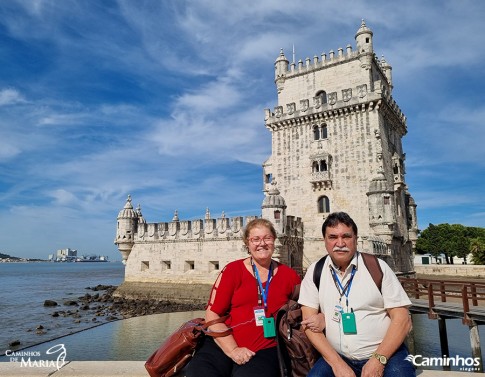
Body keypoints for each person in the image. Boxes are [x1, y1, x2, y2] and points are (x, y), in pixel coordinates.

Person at [186, 218, 322, 377]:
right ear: (247, 244)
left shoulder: (289, 276)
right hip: (222, 342)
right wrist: (233, 350)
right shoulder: (232, 270)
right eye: (255, 239)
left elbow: (307, 306)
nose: (262, 243)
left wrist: (321, 317)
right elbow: (212, 314)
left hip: (264, 348)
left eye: (267, 238)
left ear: (274, 240)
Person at [298, 212, 416, 377]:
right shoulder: (315, 271)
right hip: (338, 356)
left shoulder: (377, 267)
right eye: (332, 237)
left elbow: (402, 318)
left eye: (346, 236)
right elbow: (308, 325)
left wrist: (378, 359)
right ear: (324, 240)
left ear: (355, 238)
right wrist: (337, 364)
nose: (340, 243)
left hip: (387, 354)